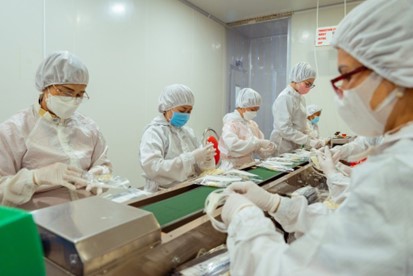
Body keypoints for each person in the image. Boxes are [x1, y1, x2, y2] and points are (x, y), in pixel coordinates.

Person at [218, 0, 413, 274]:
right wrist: (277, 204)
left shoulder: (400, 171)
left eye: (347, 74)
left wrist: (245, 221)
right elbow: (349, 223)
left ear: (395, 70)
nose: (341, 88)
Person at [0, 51, 112, 210]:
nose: (73, 99)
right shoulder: (13, 131)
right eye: (67, 91)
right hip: (40, 222)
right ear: (45, 86)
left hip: (88, 213)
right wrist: (35, 178)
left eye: (80, 94)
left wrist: (101, 173)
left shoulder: (89, 128)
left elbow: (104, 165)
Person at [139, 84, 215, 193]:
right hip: (162, 193)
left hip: (188, 188)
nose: (186, 115)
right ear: (167, 107)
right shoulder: (154, 132)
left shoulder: (188, 132)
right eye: (182, 110)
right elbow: (152, 167)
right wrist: (192, 157)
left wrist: (206, 159)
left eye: (189, 111)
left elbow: (197, 168)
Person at [270, 62, 324, 155]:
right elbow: (284, 129)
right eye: (307, 84)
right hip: (283, 145)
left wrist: (312, 136)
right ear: (297, 78)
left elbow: (302, 122)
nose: (309, 88)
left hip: (295, 144)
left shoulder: (300, 98)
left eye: (311, 85)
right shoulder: (285, 97)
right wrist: (307, 140)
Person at [218, 88, 276, 170]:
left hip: (248, 166)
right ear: (242, 106)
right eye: (252, 109)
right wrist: (257, 143)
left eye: (257, 109)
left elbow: (260, 150)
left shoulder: (251, 124)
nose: (255, 113)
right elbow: (234, 146)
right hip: (232, 168)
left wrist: (268, 149)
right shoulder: (231, 124)